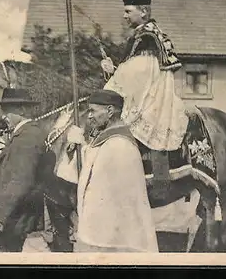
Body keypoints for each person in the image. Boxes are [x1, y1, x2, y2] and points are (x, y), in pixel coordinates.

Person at [101, 0, 189, 194]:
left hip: (152, 99)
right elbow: (135, 73)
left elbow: (141, 74)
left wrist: (113, 75)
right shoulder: (144, 35)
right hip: (146, 94)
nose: (124, 16)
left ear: (143, 11)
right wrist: (113, 71)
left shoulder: (148, 38)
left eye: (128, 11)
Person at [66, 89, 159, 252]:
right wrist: (80, 145)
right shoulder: (108, 140)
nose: (89, 116)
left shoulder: (119, 145)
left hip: (113, 241)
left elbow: (102, 194)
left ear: (109, 111)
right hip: (103, 235)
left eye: (93, 111)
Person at [0, 88, 46, 252]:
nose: (3, 116)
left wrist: (0, 216)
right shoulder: (25, 134)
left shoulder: (27, 137)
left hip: (17, 217)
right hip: (18, 214)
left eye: (7, 111)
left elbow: (21, 179)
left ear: (21, 110)